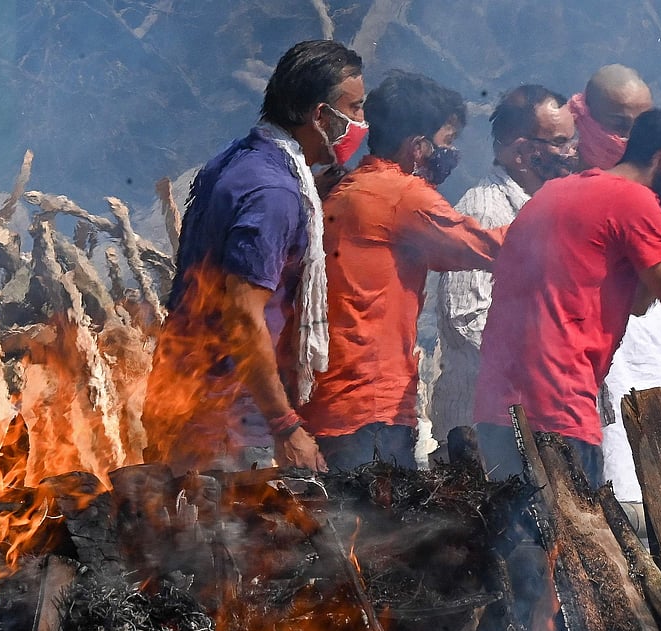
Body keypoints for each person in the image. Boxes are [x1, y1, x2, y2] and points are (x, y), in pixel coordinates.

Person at [143, 40, 366, 473]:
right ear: (320, 115)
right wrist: (285, 427)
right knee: (235, 537)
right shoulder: (274, 192)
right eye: (354, 109)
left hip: (184, 391)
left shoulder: (240, 159)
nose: (361, 122)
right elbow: (244, 316)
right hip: (228, 414)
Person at [473, 105, 661, 487]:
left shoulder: (557, 190)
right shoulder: (631, 202)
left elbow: (640, 302)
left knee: (512, 544)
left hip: (499, 411)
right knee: (566, 545)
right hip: (557, 413)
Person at [297, 71, 504, 470]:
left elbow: (445, 253)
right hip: (371, 410)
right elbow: (489, 248)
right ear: (418, 147)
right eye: (446, 143)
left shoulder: (351, 189)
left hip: (330, 404)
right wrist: (558, 216)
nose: (451, 153)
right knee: (382, 528)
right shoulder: (404, 196)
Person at [571, 66, 661, 531]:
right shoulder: (563, 195)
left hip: (652, 399)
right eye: (618, 124)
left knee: (656, 527)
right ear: (584, 117)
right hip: (576, 400)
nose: (629, 137)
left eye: (640, 124)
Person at [430, 85, 578, 443]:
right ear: (521, 154)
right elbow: (467, 318)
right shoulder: (483, 210)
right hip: (490, 430)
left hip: (541, 420)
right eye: (560, 143)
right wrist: (546, 367)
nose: (572, 153)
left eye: (573, 141)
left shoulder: (556, 207)